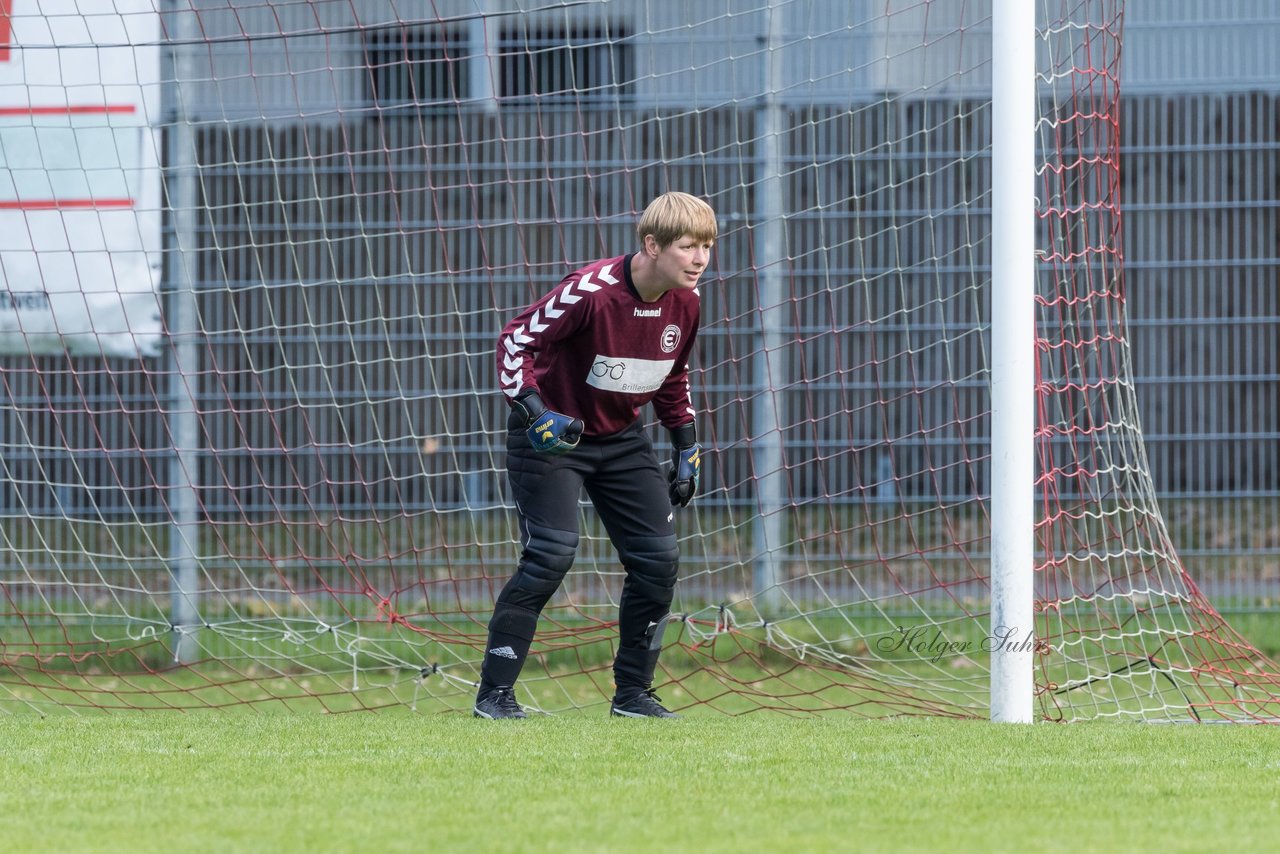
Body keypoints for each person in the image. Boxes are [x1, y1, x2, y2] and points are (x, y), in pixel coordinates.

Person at [474, 191, 717, 720]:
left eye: (707, 246)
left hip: (623, 439)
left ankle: (633, 696)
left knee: (658, 561)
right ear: (652, 245)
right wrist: (535, 411)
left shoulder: (687, 302)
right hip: (553, 437)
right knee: (551, 555)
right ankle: (494, 697)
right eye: (687, 246)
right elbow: (515, 342)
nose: (699, 258)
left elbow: (671, 376)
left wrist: (685, 445)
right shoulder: (591, 292)